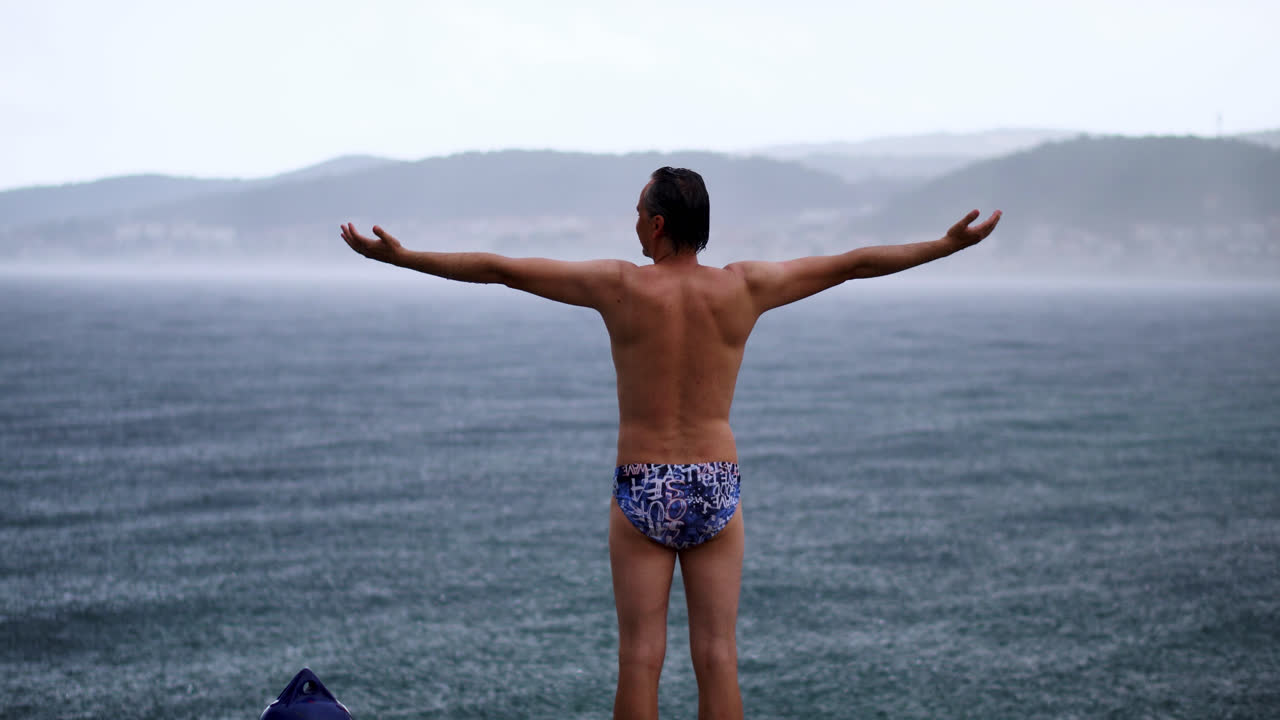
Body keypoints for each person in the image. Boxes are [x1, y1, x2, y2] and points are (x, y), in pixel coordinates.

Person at [340, 166, 1000, 720]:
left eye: (637, 213)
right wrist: (945, 247)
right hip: (715, 483)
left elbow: (500, 269)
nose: (632, 224)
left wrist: (403, 257)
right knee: (717, 655)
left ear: (657, 225)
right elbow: (854, 264)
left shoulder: (619, 286)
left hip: (643, 483)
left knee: (639, 658)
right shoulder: (745, 286)